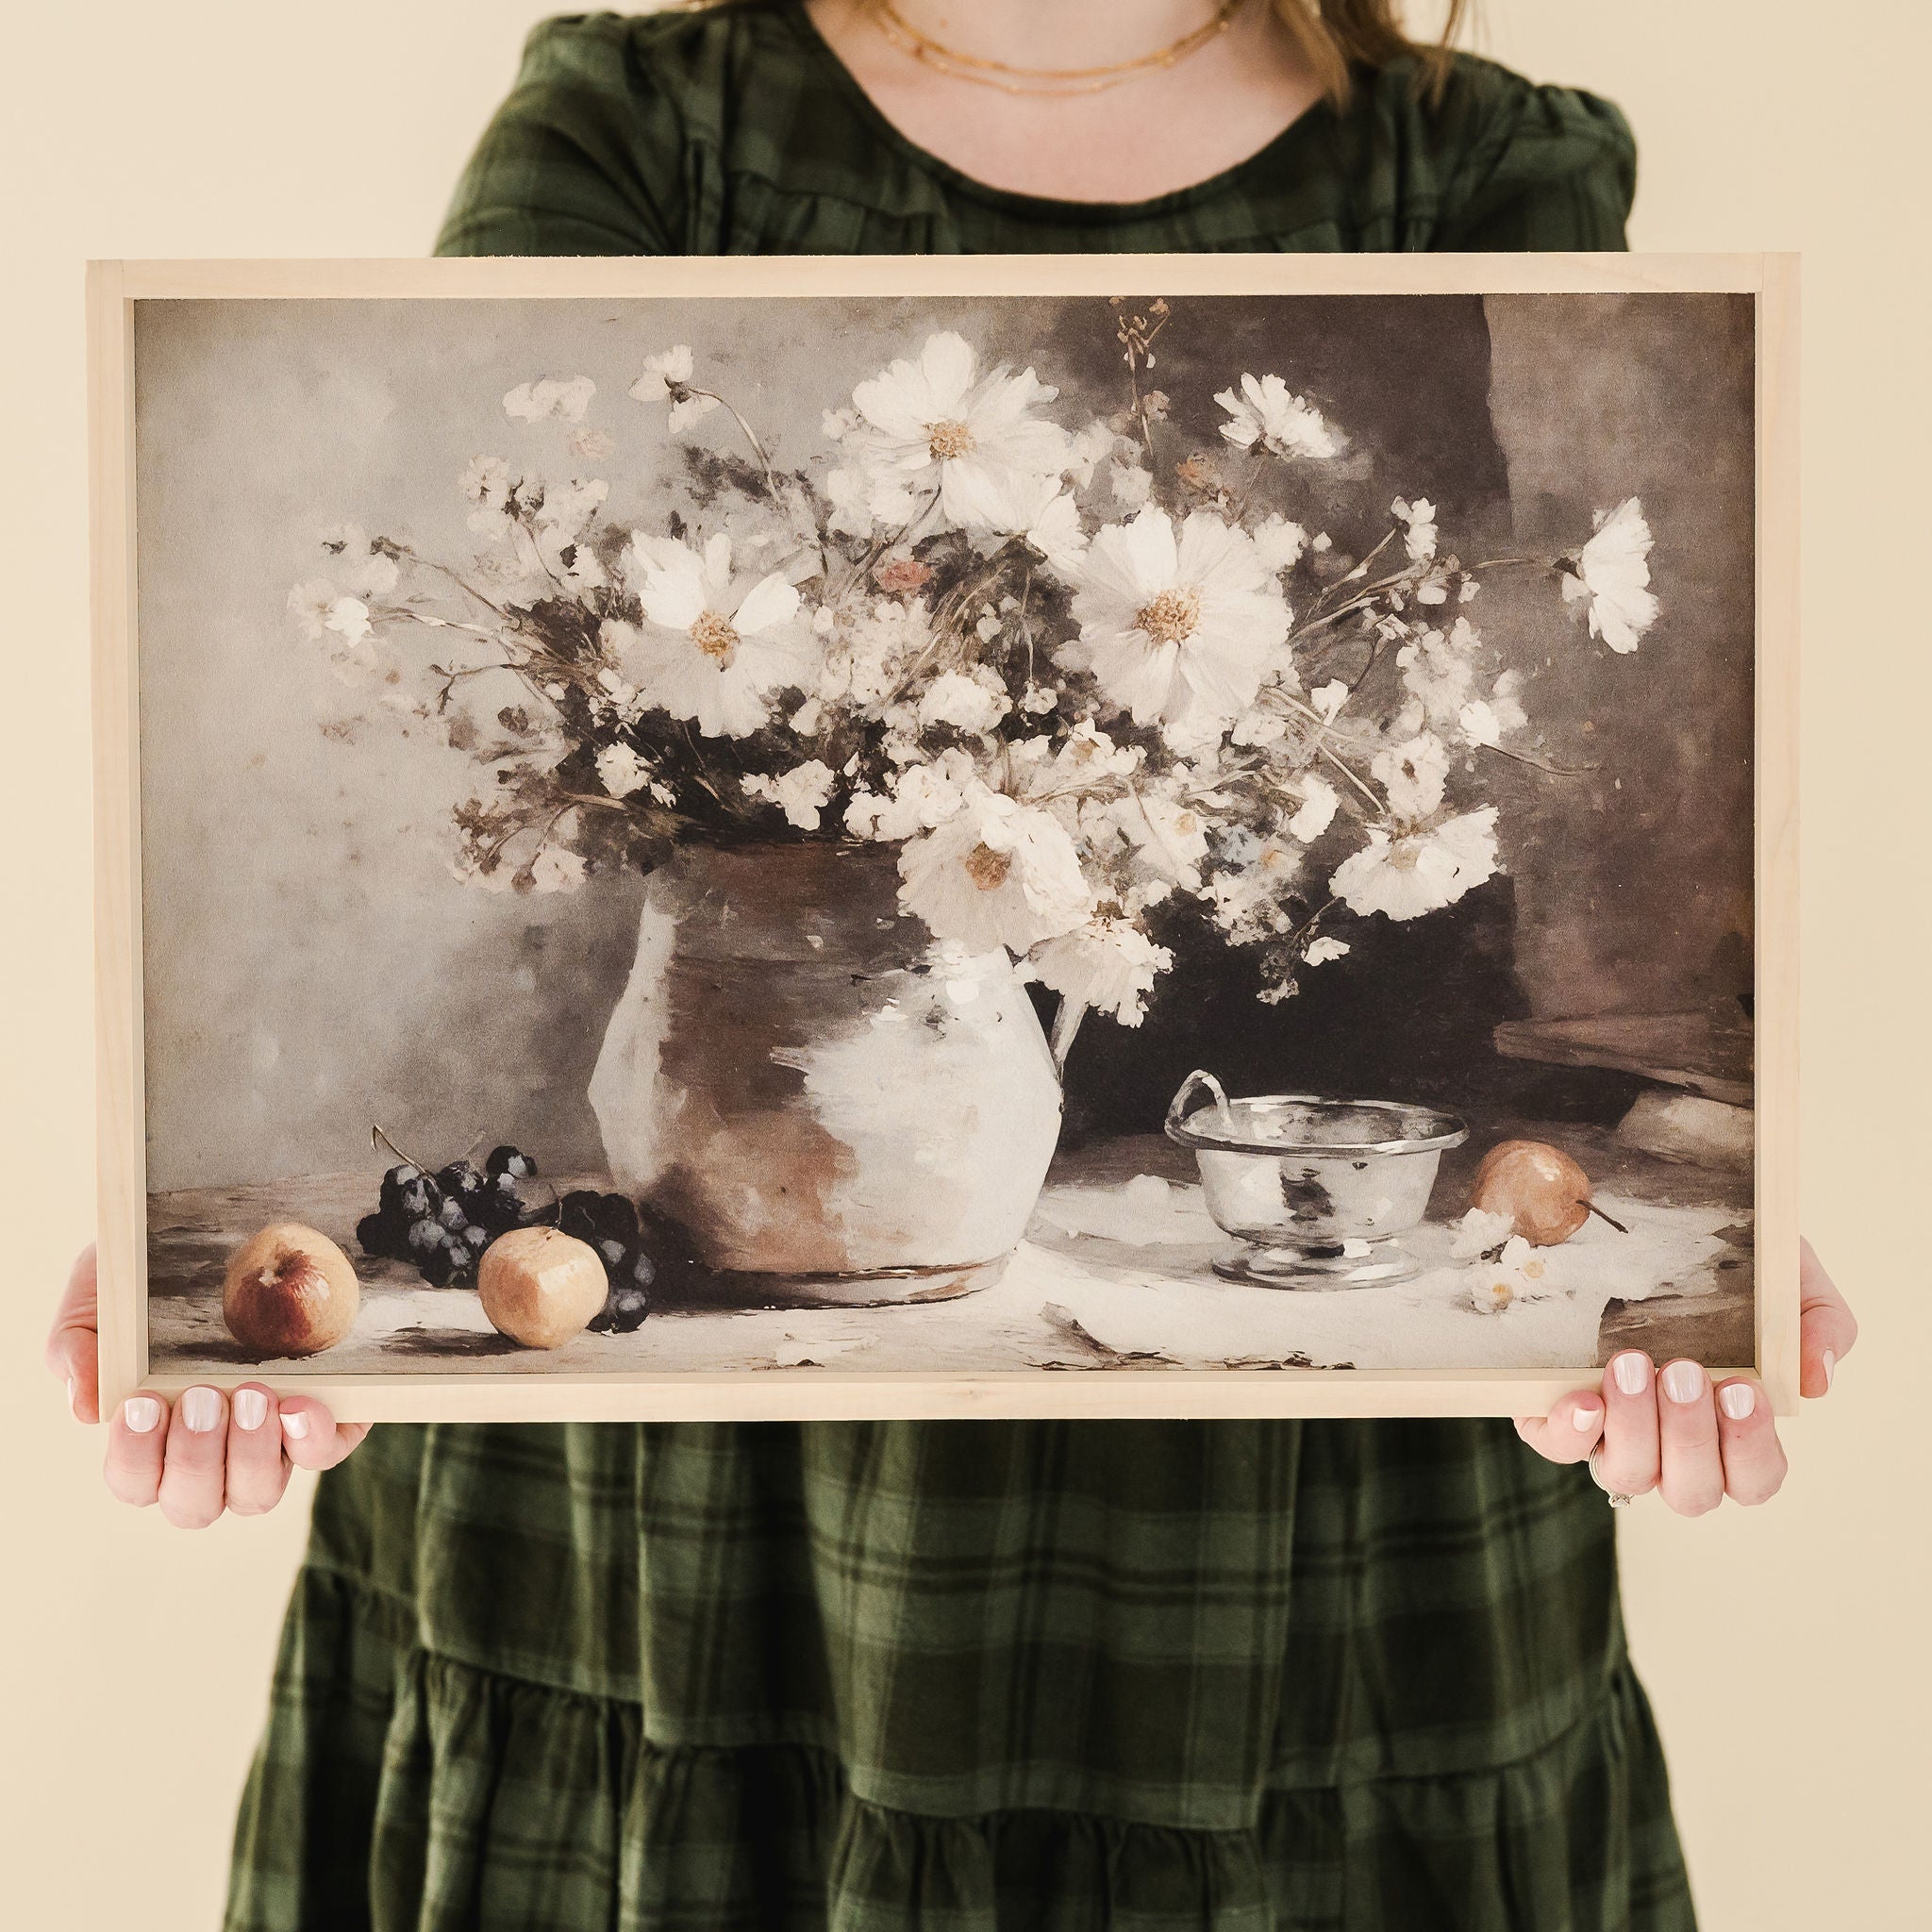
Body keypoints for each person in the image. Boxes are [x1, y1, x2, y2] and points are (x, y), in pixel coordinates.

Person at [47, 4, 1858, 1927]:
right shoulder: (638, 131)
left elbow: (1490, 868)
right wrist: (206, 1337)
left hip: (1304, 1536)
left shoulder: (1485, 175)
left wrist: (1706, 1246)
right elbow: (581, 731)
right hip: (687, 1526)